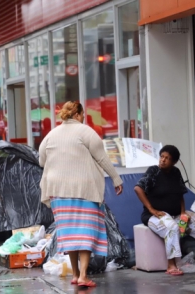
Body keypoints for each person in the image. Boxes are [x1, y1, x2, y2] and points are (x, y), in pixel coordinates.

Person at [39, 101, 123, 288]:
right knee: (86, 232)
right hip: (83, 190)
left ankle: (76, 274)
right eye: (82, 114)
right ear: (77, 115)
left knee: (69, 233)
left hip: (58, 192)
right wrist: (116, 179)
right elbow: (102, 158)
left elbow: (41, 159)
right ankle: (84, 274)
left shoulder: (51, 135)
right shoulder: (86, 132)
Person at [134, 145, 195, 276]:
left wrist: (183, 213)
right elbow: (138, 188)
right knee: (171, 227)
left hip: (176, 215)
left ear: (174, 162)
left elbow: (180, 194)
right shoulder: (153, 171)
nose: (163, 160)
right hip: (155, 216)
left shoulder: (176, 173)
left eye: (167, 158)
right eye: (161, 157)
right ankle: (171, 265)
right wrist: (151, 209)